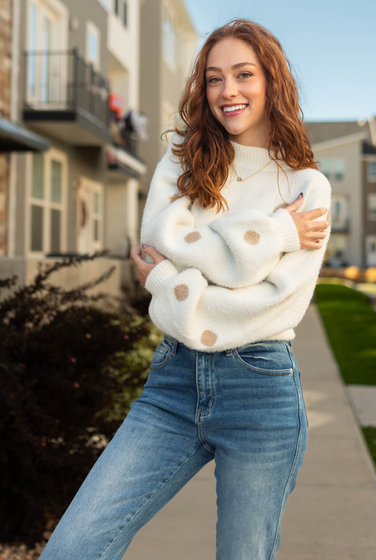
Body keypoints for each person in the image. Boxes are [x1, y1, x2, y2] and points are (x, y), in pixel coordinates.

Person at [39, 18, 331, 560]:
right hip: (173, 385)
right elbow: (159, 242)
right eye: (214, 78)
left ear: (272, 81)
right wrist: (276, 234)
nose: (228, 91)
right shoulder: (181, 163)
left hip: (261, 391)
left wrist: (174, 280)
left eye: (244, 74)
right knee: (73, 547)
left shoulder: (306, 186)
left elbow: (268, 303)